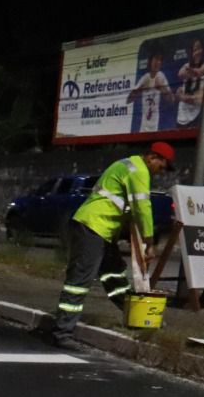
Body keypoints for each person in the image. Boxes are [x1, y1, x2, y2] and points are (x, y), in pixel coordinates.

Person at [40, 141, 174, 345]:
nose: (160, 172)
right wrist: (148, 242)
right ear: (152, 157)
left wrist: (134, 239)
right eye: (161, 166)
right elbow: (142, 208)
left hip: (101, 228)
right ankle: (62, 332)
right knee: (80, 281)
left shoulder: (128, 164)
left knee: (114, 274)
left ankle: (136, 318)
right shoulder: (139, 171)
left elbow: (128, 210)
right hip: (93, 226)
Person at [127, 50, 172, 133]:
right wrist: (141, 89)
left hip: (156, 126)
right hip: (143, 128)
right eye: (155, 59)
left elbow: (171, 99)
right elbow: (129, 100)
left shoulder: (161, 77)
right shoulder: (145, 78)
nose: (157, 62)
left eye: (159, 60)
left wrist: (162, 89)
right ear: (150, 61)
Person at [176, 37, 204, 129]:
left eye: (200, 48)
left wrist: (182, 97)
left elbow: (200, 72)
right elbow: (180, 74)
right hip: (181, 116)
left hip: (196, 115)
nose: (198, 52)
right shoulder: (186, 65)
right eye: (195, 49)